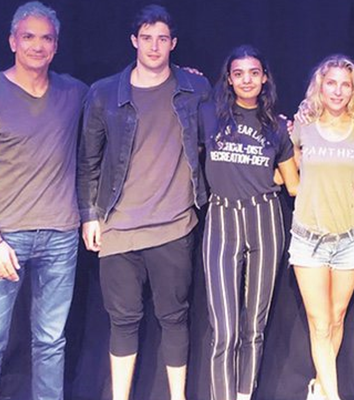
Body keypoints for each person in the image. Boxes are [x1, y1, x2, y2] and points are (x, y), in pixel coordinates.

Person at [76, 4, 210, 400]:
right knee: (123, 321)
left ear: (173, 43)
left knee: (174, 317)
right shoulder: (103, 93)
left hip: (174, 225)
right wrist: (89, 215)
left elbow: (227, 126)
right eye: (147, 38)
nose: (154, 46)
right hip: (118, 227)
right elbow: (88, 160)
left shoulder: (195, 87)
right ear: (134, 41)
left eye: (162, 39)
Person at [0, 2, 87, 399]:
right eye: (28, 37)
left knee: (51, 342)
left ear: (56, 46)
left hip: (60, 234)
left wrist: (183, 75)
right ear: (12, 41)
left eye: (46, 38)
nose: (37, 45)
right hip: (7, 238)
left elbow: (126, 95)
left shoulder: (74, 92)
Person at [202, 44, 298, 400]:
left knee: (254, 325)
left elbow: (293, 184)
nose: (246, 80)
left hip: (264, 219)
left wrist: (347, 180)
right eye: (239, 73)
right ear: (229, 78)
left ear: (264, 78)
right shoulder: (208, 115)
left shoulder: (277, 125)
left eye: (254, 73)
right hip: (221, 217)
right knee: (224, 329)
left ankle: (245, 395)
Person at [290, 54, 354, 400]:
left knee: (336, 318)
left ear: (353, 90)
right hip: (308, 238)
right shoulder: (303, 126)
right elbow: (291, 175)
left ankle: (320, 388)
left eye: (345, 85)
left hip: (349, 238)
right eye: (331, 83)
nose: (337, 91)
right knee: (320, 324)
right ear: (319, 87)